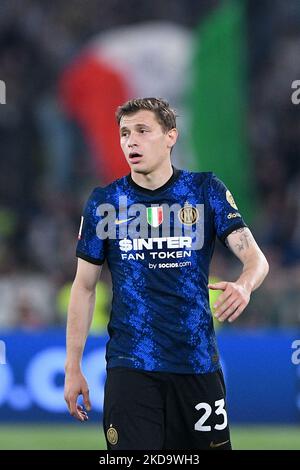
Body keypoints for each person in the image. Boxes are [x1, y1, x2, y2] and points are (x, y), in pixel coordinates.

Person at [64, 97, 269, 450]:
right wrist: (72, 367)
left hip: (197, 364)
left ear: (171, 136)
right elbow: (84, 288)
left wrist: (245, 285)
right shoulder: (105, 202)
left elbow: (256, 260)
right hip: (131, 366)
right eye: (125, 133)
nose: (131, 141)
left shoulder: (205, 191)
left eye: (143, 131)